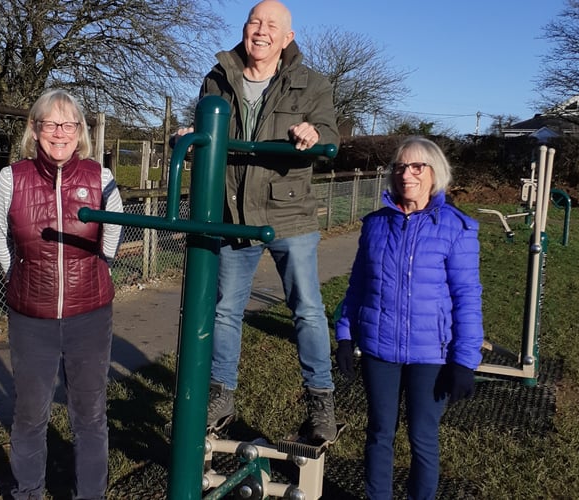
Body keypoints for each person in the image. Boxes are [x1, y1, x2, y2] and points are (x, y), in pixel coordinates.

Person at [174, 0, 341, 441]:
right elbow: (203, 132)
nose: (261, 30)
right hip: (233, 212)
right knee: (226, 308)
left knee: (306, 308)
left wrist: (314, 134)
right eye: (254, 21)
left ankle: (320, 399)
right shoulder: (218, 77)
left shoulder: (312, 83)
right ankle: (221, 394)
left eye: (272, 25)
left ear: (288, 38)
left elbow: (330, 133)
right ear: (245, 29)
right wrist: (186, 138)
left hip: (289, 212)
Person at [0, 89, 123, 500]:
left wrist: (99, 268)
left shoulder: (99, 177)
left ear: (80, 131)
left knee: (90, 416)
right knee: (30, 415)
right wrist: (19, 274)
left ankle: (90, 495)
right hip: (31, 319)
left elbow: (114, 227)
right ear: (35, 129)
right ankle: (28, 491)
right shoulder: (12, 178)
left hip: (90, 316)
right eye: (50, 124)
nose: (59, 133)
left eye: (68, 125)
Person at [334, 136, 484, 499]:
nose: (407, 174)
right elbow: (358, 285)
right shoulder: (375, 225)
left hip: (432, 355)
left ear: (436, 174)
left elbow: (467, 297)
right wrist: (343, 334)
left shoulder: (456, 227)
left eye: (418, 166)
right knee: (379, 432)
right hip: (379, 349)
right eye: (400, 166)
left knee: (422, 437)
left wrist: (465, 360)